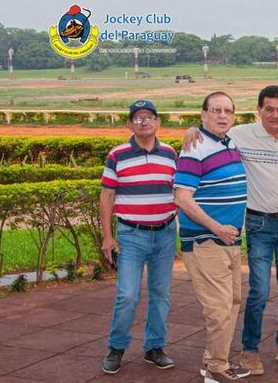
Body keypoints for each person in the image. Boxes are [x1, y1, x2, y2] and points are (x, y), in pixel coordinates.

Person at [183, 85, 278, 376]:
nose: (275, 114)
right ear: (259, 110)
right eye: (269, 109)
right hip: (259, 224)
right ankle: (250, 351)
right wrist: (192, 128)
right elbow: (212, 130)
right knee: (259, 291)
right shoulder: (240, 135)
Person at [174, 92, 251, 382]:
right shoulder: (195, 148)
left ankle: (212, 362)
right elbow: (182, 198)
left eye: (227, 111)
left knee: (230, 304)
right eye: (215, 110)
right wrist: (215, 227)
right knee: (218, 310)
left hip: (228, 241)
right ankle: (217, 370)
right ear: (203, 114)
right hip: (206, 241)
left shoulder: (228, 142)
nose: (222, 116)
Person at [99, 100, 178, 374]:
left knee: (160, 294)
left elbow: (179, 192)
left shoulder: (170, 154)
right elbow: (107, 195)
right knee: (128, 295)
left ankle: (154, 346)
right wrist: (108, 236)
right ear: (129, 124)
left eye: (149, 117)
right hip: (131, 235)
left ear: (159, 123)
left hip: (165, 233)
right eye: (138, 118)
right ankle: (116, 347)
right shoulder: (117, 155)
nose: (144, 122)